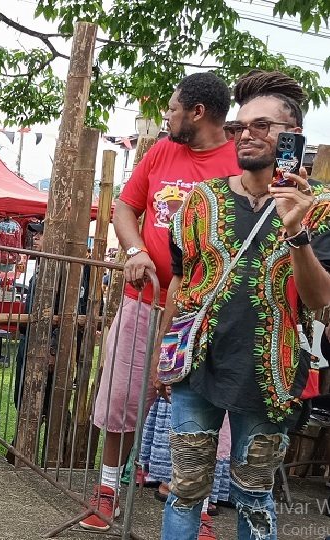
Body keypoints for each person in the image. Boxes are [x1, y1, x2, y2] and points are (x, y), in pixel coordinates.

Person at [160, 70, 330, 540]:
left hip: (269, 374)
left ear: (293, 136)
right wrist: (165, 356)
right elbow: (180, 282)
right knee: (186, 488)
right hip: (198, 364)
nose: (246, 135)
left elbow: (322, 300)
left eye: (262, 126)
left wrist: (296, 231)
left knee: (254, 496)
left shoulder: (320, 209)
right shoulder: (200, 201)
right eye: (240, 126)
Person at [81, 72, 242, 532]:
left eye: (172, 108)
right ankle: (108, 487)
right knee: (122, 396)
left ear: (197, 112)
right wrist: (135, 251)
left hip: (206, 311)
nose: (167, 115)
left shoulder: (237, 163)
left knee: (210, 410)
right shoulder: (160, 152)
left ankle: (202, 510)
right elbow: (125, 208)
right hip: (144, 300)